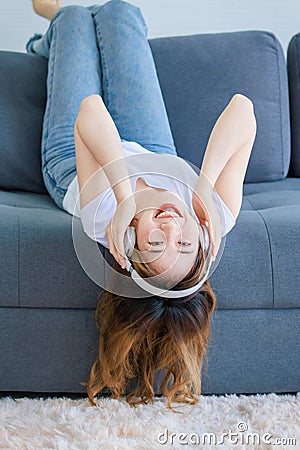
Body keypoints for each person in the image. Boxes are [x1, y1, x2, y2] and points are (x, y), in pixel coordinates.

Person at [27, 0, 257, 411]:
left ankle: (54, 25)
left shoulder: (105, 219)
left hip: (79, 162)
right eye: (184, 246)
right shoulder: (211, 219)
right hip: (155, 152)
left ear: (129, 244)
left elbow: (90, 111)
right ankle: (59, 35)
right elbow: (243, 109)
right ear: (202, 242)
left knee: (73, 19)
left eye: (154, 246)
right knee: (121, 12)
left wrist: (125, 197)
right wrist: (203, 186)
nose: (171, 228)